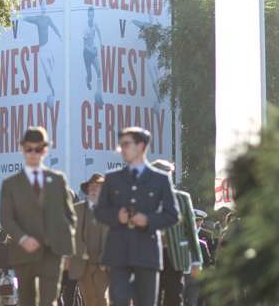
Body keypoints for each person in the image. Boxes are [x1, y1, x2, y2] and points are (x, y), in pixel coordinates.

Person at [95, 127, 179, 306]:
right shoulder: (112, 178)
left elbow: (173, 215)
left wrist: (149, 220)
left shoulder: (160, 179)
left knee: (146, 302)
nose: (122, 149)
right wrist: (116, 216)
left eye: (126, 144)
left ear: (141, 146)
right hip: (118, 251)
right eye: (120, 145)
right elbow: (99, 212)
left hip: (147, 252)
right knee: (119, 300)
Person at [0, 126, 76, 306]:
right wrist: (23, 238)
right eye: (29, 148)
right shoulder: (10, 184)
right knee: (27, 302)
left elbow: (70, 217)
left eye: (38, 148)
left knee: (48, 301)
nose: (33, 153)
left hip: (52, 253)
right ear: (22, 148)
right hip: (23, 253)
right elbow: (6, 219)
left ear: (45, 150)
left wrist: (68, 252)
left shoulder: (58, 180)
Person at [151, 160, 202, 306]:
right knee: (153, 298)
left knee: (174, 297)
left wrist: (196, 262)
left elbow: (191, 232)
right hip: (152, 255)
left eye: (168, 173)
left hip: (176, 255)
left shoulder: (182, 198)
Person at [67, 173, 109, 306]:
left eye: (98, 187)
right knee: (89, 299)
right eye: (92, 186)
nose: (94, 189)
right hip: (82, 265)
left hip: (103, 265)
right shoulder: (77, 210)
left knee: (102, 298)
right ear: (87, 189)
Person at [184, 209, 212, 306]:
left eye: (199, 221)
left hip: (196, 278)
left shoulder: (204, 240)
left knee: (193, 302)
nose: (196, 224)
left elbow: (207, 263)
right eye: (194, 221)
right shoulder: (180, 237)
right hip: (181, 275)